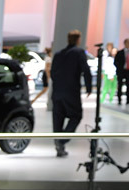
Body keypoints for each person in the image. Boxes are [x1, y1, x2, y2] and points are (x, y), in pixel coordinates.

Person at [50, 29, 92, 157]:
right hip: (71, 91)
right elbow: (86, 70)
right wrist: (89, 87)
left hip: (57, 91)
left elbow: (52, 73)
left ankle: (59, 145)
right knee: (76, 116)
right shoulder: (79, 52)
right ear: (78, 40)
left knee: (58, 119)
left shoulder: (58, 54)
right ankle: (62, 140)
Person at [115, 38, 129, 105]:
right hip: (121, 71)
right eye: (128, 43)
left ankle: (128, 100)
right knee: (120, 86)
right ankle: (119, 100)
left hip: (128, 71)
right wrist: (120, 68)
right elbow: (115, 62)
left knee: (128, 86)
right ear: (125, 43)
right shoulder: (120, 52)